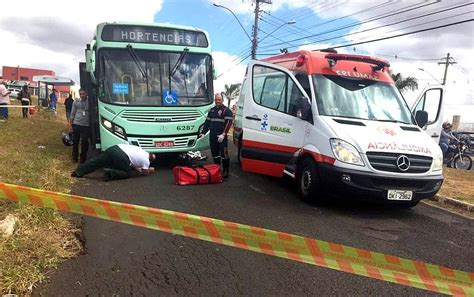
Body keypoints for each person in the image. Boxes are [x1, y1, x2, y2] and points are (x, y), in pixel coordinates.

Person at [71, 144, 156, 181]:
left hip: (114, 148)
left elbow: (134, 163)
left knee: (97, 161)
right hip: (121, 156)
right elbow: (144, 173)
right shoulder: (146, 160)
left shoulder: (140, 150)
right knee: (127, 172)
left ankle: (78, 172)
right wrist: (150, 170)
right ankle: (110, 173)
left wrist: (138, 168)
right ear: (150, 160)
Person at [200, 93, 233, 178]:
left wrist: (223, 134)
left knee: (224, 154)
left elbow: (228, 123)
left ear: (222, 100)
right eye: (216, 100)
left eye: (219, 100)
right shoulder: (211, 110)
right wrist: (203, 132)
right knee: (215, 154)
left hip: (222, 136)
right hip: (213, 136)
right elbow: (207, 123)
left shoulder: (227, 111)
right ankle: (217, 170)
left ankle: (225, 171)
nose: (218, 101)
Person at [69, 88, 90, 163]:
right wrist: (70, 126)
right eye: (80, 94)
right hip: (77, 124)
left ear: (86, 94)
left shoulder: (90, 102)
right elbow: (72, 114)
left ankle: (83, 157)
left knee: (84, 141)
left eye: (83, 93)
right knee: (75, 141)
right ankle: (75, 156)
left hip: (86, 125)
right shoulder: (76, 102)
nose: (82, 95)